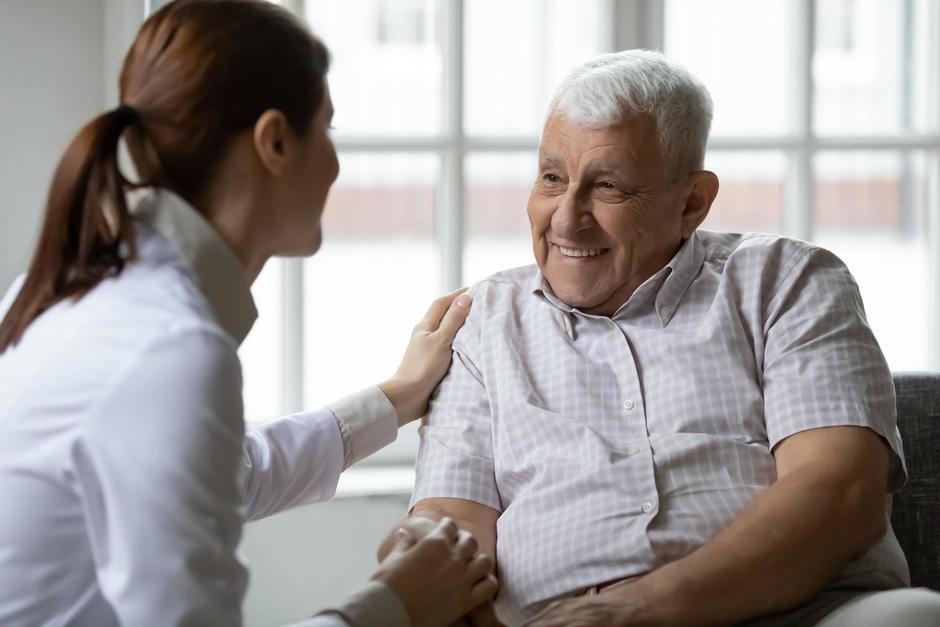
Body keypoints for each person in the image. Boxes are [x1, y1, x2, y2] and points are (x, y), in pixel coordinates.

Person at [385, 50, 940, 626]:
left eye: (608, 187)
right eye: (552, 178)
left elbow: (842, 492)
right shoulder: (483, 322)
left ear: (692, 201)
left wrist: (635, 610)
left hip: (800, 614)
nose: (566, 219)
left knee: (913, 618)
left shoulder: (786, 282)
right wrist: (421, 545)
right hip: (556, 621)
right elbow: (454, 519)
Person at [0, 2, 496, 626]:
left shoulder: (74, 293)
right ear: (275, 142)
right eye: (329, 130)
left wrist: (398, 397)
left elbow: (233, 472)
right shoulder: (167, 349)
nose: (337, 165)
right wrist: (395, 605)